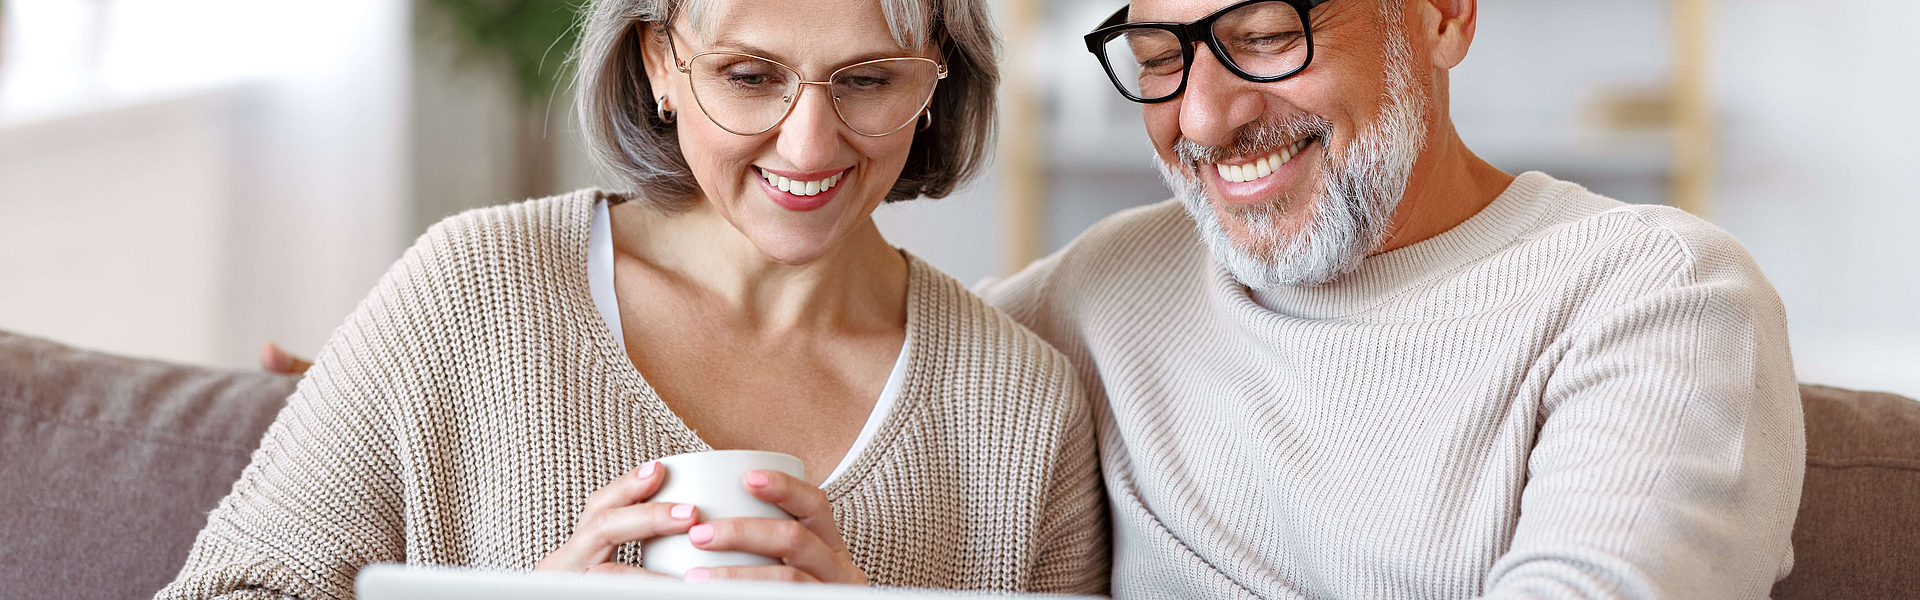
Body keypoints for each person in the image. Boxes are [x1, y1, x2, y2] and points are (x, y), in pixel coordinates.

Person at [160, 0, 1109, 597]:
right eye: (749, 77)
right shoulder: (472, 292)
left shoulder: (1023, 404)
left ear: (936, 79)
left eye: (867, 80)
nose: (810, 144)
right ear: (661, 60)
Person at [976, 0, 1804, 598]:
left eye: (1266, 36)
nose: (1201, 118)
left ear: (1443, 17)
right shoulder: (1105, 284)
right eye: (1158, 57)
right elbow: (882, 347)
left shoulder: (1659, 292)